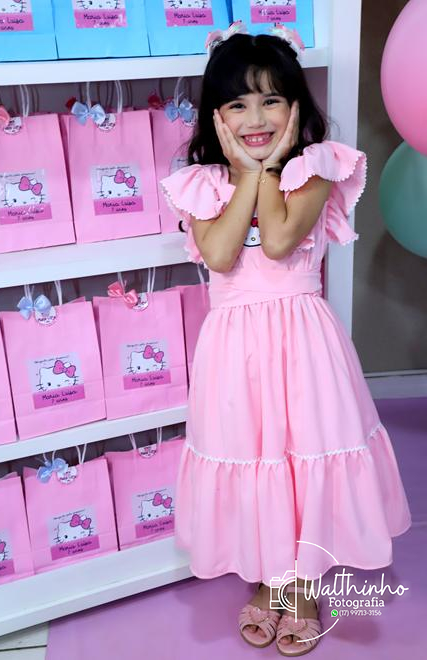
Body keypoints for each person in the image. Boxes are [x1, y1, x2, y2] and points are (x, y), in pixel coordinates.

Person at [160, 21, 411, 656]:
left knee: (304, 456)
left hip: (302, 344)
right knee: (252, 456)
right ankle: (270, 579)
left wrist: (267, 168)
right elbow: (221, 255)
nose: (256, 118)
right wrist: (245, 173)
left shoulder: (314, 169)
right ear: (216, 117)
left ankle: (299, 590)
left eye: (271, 100)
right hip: (233, 351)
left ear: (296, 107)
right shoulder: (201, 184)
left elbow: (275, 241)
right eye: (237, 105)